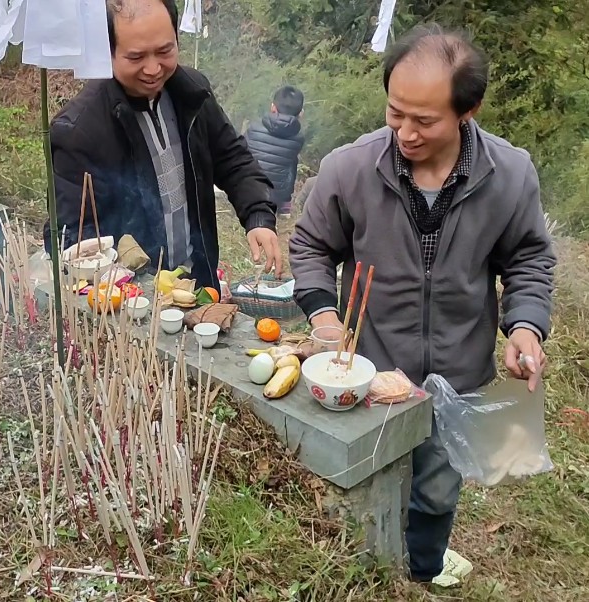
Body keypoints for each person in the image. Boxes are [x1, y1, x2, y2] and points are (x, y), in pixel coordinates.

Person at [289, 24, 555, 583]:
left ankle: (421, 574)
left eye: (425, 121)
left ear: (468, 110)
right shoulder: (351, 168)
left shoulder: (508, 175)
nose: (406, 133)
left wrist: (526, 327)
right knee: (364, 479)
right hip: (368, 370)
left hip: (458, 375)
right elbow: (312, 244)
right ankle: (366, 577)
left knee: (435, 489)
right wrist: (325, 316)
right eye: (395, 113)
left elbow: (529, 259)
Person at [42, 0, 282, 289]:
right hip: (133, 296)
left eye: (165, 51)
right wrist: (131, 285)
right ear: (108, 52)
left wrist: (257, 214)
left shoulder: (192, 92)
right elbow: (73, 235)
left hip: (197, 279)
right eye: (136, 57)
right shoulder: (79, 130)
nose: (154, 68)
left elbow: (233, 159)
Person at [245, 85, 306, 216]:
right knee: (292, 162)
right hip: (275, 198)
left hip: (248, 192)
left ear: (273, 107)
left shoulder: (253, 128)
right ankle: (285, 204)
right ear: (301, 114)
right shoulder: (298, 138)